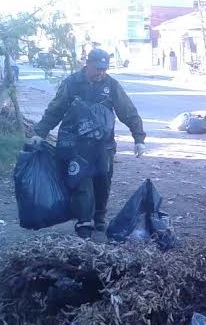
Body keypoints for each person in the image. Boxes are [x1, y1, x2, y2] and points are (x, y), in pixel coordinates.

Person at [30, 49, 147, 239]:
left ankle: (99, 218)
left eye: (104, 69)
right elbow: (55, 109)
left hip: (103, 145)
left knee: (102, 181)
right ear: (87, 63)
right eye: (97, 68)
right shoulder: (72, 83)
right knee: (81, 182)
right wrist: (40, 133)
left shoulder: (112, 85)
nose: (100, 72)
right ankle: (84, 221)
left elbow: (128, 112)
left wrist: (139, 138)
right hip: (75, 144)